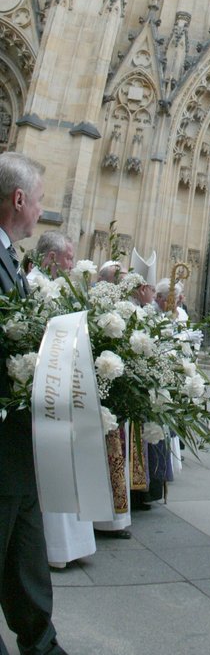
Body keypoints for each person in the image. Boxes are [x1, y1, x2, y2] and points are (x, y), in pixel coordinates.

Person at [0, 152, 104, 655]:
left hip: (20, 440)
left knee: (27, 552)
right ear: (19, 201)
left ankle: (40, 646)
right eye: (38, 199)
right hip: (3, 435)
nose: (42, 210)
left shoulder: (11, 257)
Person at [30, 231, 97, 572]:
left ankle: (71, 544)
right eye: (69, 257)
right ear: (53, 257)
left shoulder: (63, 290)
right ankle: (56, 546)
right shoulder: (33, 284)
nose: (73, 264)